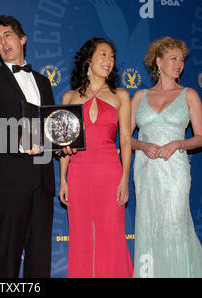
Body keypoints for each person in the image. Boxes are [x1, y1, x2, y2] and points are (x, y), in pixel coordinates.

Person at [131, 36, 202, 278]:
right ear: (158, 61)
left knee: (175, 225)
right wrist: (143, 145)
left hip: (175, 169)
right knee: (149, 225)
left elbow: (201, 138)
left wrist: (178, 143)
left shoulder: (189, 95)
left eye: (182, 60)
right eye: (173, 59)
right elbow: (126, 138)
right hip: (146, 169)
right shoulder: (139, 96)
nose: (179, 64)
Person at [0, 15, 55, 278]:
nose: (3, 42)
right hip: (10, 181)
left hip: (42, 181)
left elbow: (50, 127)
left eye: (7, 35)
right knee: (8, 257)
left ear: (22, 39)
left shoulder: (43, 81)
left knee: (40, 257)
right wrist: (17, 140)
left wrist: (62, 144)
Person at [58, 37, 133, 278]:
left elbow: (125, 140)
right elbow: (64, 144)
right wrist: (62, 179)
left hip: (110, 172)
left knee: (111, 235)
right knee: (80, 236)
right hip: (78, 173)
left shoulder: (120, 95)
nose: (108, 61)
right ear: (89, 59)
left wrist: (124, 178)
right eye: (103, 54)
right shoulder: (68, 98)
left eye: (111, 57)